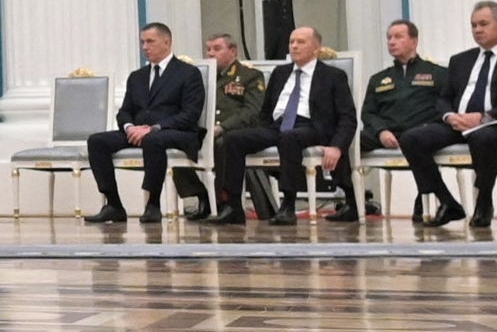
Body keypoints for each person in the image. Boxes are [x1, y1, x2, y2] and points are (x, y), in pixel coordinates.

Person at [398, 0, 497, 228]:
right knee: (411, 138)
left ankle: (484, 201)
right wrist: (450, 116)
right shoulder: (460, 60)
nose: (477, 30)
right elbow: (444, 98)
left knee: (482, 137)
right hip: (459, 122)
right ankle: (448, 203)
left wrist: (483, 117)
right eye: (473, 25)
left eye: (483, 24)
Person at [211, 25, 353, 225]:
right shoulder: (280, 72)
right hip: (278, 126)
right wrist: (260, 130)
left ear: (316, 48)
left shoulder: (333, 76)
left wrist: (337, 146)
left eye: (300, 42)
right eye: (292, 42)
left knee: (289, 138)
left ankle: (288, 204)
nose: (294, 46)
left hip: (312, 127)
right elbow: (265, 110)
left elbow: (348, 117)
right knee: (233, 139)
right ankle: (232, 205)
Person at [84, 23, 206, 226]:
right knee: (97, 141)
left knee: (153, 140)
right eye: (142, 42)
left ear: (167, 42)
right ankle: (113, 204)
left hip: (175, 131)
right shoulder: (137, 77)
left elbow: (190, 114)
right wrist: (129, 127)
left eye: (150, 41)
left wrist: (154, 127)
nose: (145, 47)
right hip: (138, 131)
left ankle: (153, 204)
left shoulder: (187, 73)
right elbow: (124, 111)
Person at [359, 19, 446, 216]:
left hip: (419, 133)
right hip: (387, 133)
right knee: (345, 140)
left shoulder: (437, 74)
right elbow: (368, 113)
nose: (391, 42)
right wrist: (381, 131)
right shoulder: (378, 78)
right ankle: (352, 200)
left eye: (398, 37)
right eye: (389, 37)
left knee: (420, 141)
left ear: (414, 41)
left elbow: (445, 108)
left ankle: (422, 199)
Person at [173, 33, 263, 218]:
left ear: (233, 51)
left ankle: (225, 202)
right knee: (173, 141)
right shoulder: (201, 76)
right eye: (208, 49)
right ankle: (200, 195)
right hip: (206, 131)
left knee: (224, 144)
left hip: (234, 131)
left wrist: (223, 127)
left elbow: (252, 111)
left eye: (217, 48)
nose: (211, 53)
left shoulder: (250, 75)